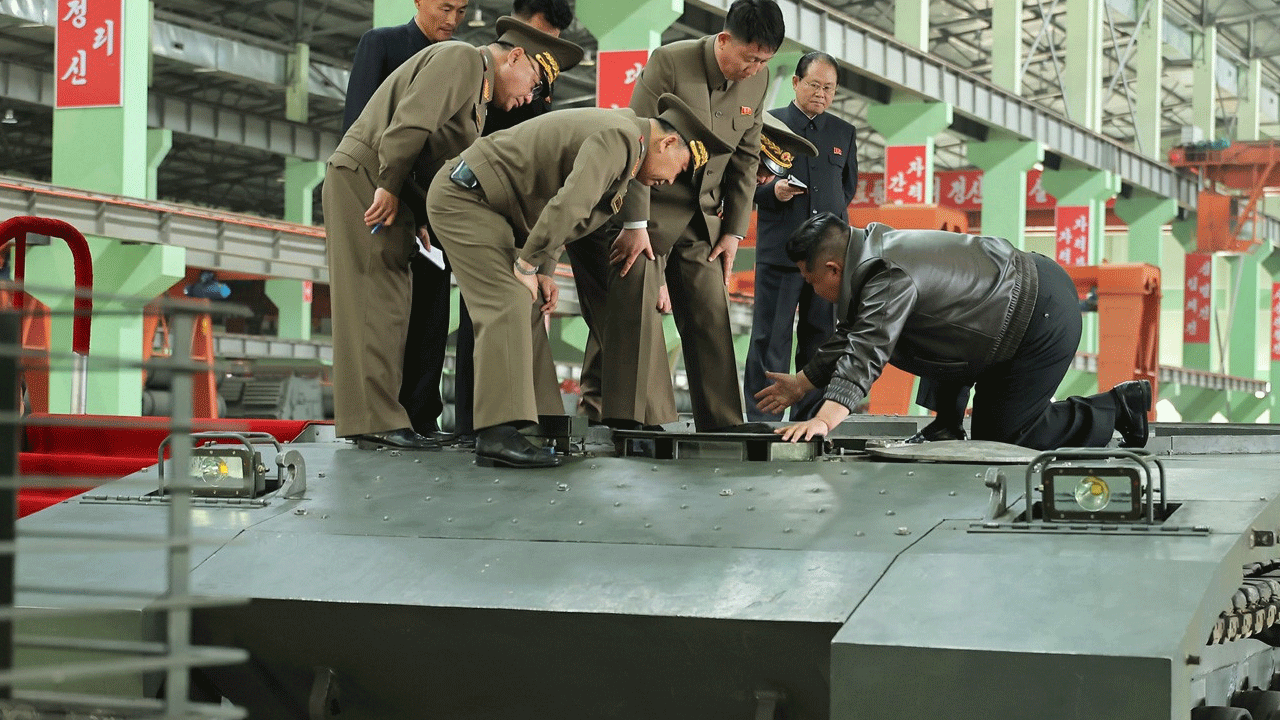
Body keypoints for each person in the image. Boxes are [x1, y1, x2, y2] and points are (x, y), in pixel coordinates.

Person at [427, 94, 727, 468]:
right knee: (506, 300)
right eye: (677, 169)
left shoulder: (626, 146)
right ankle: (496, 433)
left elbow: (559, 204)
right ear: (666, 142)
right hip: (466, 198)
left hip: (496, 209)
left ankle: (541, 425)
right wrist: (527, 264)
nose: (668, 181)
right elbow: (569, 204)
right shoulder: (618, 138)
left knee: (528, 302)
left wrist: (542, 271)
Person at [322, 19, 581, 450]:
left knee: (391, 306)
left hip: (397, 189)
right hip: (369, 180)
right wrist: (387, 186)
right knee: (372, 303)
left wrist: (421, 215)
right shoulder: (462, 59)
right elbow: (409, 126)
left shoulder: (478, 97)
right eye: (532, 83)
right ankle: (373, 420)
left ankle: (383, 418)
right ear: (515, 56)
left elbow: (434, 161)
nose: (527, 99)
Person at [756, 213, 1153, 450]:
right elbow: (853, 335)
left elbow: (866, 350)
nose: (814, 293)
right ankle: (945, 423)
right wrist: (802, 384)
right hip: (1010, 316)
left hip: (1038, 317)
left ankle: (1116, 407)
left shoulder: (885, 275)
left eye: (810, 283)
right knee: (922, 325)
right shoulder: (874, 252)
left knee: (1006, 440)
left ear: (831, 269)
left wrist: (823, 421)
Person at [589, 0, 785, 433]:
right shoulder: (670, 62)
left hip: (704, 220)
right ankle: (636, 420)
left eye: (764, 61)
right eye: (750, 58)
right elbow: (637, 140)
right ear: (724, 40)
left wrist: (734, 231)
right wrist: (634, 224)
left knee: (711, 315)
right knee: (637, 310)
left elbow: (746, 160)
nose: (755, 69)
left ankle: (723, 421)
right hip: (651, 209)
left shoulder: (760, 79)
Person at [341, 0, 468, 442]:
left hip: (433, 209)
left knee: (432, 311)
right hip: (385, 196)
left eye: (463, 10)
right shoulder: (382, 45)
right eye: (445, 7)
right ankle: (379, 417)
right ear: (418, 1)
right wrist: (399, 195)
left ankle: (421, 415)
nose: (452, 20)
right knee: (382, 312)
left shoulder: (460, 62)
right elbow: (359, 128)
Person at [451, 0, 576, 447]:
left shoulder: (536, 86)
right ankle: (473, 424)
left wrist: (537, 258)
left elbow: (546, 181)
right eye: (541, 34)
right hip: (466, 195)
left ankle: (502, 421)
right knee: (481, 310)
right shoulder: (472, 67)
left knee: (500, 311)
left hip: (514, 208)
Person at [744, 51, 859, 423]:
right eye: (814, 85)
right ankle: (762, 421)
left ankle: (809, 419)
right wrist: (771, 193)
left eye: (829, 88)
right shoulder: (769, 126)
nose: (821, 94)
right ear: (795, 83)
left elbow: (847, 188)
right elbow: (743, 184)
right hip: (780, 253)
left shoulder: (844, 133)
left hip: (827, 260)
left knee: (821, 340)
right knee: (770, 338)